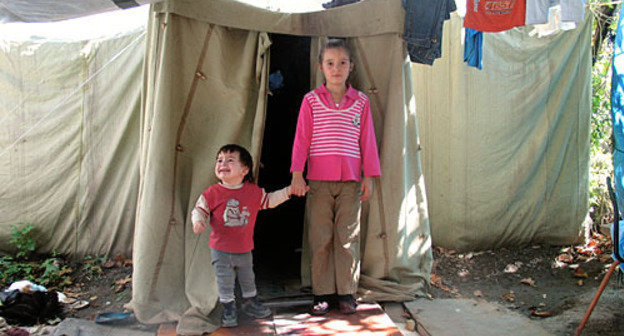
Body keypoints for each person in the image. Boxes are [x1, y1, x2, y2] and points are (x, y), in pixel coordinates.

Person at [290, 38, 381, 315]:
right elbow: (301, 139)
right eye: (330, 63)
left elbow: (367, 141)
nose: (336, 68)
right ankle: (322, 293)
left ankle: (347, 293)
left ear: (351, 66)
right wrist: (297, 174)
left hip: (351, 183)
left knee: (347, 238)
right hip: (318, 181)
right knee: (321, 238)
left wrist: (369, 176)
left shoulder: (361, 102)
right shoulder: (311, 101)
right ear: (321, 67)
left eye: (342, 63)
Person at [191, 144, 296, 328]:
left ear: (245, 169)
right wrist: (198, 221)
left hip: (244, 248)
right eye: (219, 160)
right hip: (220, 249)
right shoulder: (213, 192)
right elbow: (199, 209)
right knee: (224, 280)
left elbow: (269, 201)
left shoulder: (252, 191)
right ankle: (228, 308)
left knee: (248, 277)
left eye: (230, 160)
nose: (223, 164)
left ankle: (250, 303)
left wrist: (288, 192)